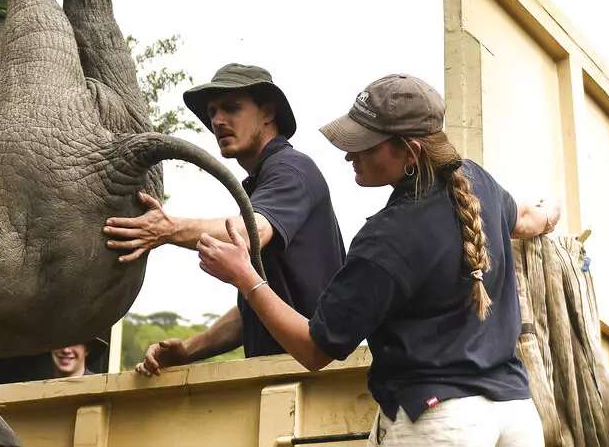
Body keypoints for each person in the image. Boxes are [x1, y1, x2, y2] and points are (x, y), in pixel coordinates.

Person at [197, 74, 558, 446]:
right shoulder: (476, 181)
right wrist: (551, 213)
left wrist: (246, 278)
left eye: (364, 145)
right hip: (517, 415)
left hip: (439, 423)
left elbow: (314, 350)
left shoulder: (387, 238)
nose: (349, 154)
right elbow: (526, 219)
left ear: (410, 152)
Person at [103, 63, 345, 375]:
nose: (217, 120)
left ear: (268, 113)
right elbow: (256, 306)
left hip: (319, 383)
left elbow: (250, 232)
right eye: (212, 112)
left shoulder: (291, 169)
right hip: (285, 377)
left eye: (232, 108)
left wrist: (167, 229)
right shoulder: (262, 182)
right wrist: (188, 350)